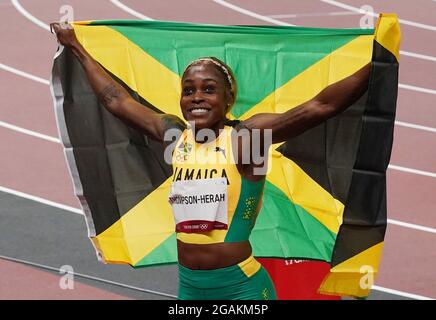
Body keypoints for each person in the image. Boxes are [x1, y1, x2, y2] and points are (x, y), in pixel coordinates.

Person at [51, 22, 370, 300]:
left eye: (208, 89)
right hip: (190, 286)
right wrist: (76, 46)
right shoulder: (174, 136)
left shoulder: (247, 138)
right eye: (188, 90)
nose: (197, 97)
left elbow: (319, 107)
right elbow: (114, 99)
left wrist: (377, 64)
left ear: (228, 100)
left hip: (240, 287)